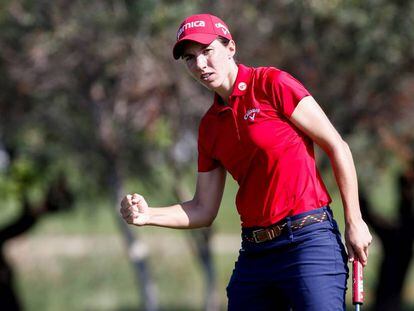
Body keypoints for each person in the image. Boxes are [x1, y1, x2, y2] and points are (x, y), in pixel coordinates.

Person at [120, 13, 372, 310]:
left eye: (206, 51)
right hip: (256, 254)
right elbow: (203, 209)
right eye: (189, 58)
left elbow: (336, 146)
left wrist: (354, 221)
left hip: (308, 241)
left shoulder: (272, 84)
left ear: (231, 48)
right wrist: (148, 215)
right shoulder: (210, 127)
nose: (199, 65)